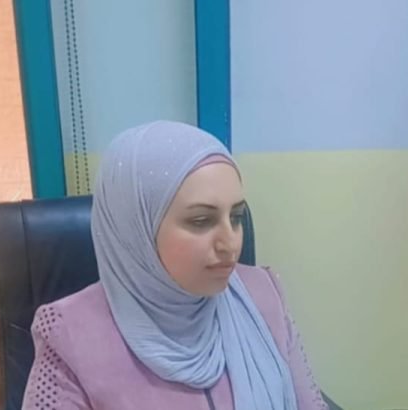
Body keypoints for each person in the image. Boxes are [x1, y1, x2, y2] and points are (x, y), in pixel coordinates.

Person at [22, 121, 328, 410]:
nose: (230, 243)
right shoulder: (70, 334)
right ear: (137, 231)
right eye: (201, 221)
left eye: (235, 217)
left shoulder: (263, 295)